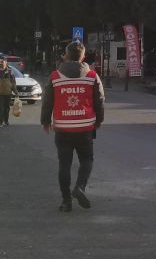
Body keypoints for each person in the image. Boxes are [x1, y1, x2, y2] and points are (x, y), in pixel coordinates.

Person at [40, 40, 106, 212]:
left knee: (64, 165)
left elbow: (47, 101)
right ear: (83, 56)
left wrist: (45, 121)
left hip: (62, 128)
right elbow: (99, 100)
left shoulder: (55, 76)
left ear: (66, 56)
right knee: (87, 160)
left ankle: (66, 201)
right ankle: (80, 187)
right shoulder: (92, 76)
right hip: (85, 127)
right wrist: (99, 119)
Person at [0, 57, 17, 127]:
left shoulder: (10, 71)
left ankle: (6, 120)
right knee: (0, 107)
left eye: (2, 61)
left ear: (6, 62)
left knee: (7, 107)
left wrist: (16, 91)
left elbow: (13, 82)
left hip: (8, 93)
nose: (1, 63)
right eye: (0, 62)